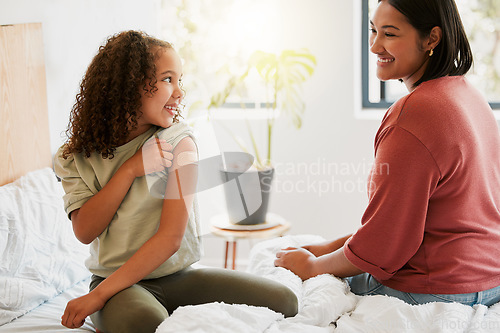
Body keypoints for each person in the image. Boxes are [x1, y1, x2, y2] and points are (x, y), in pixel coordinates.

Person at [54, 30, 297, 332]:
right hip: (115, 284)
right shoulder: (74, 156)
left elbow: (171, 238)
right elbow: (85, 230)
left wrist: (95, 298)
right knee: (146, 322)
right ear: (129, 87)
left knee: (286, 301)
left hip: (177, 277)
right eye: (168, 79)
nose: (180, 92)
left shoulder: (180, 142)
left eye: (179, 79)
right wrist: (131, 169)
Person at [275, 0, 500, 307]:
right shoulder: (469, 95)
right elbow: (415, 221)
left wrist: (312, 267)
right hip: (490, 280)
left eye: (390, 34)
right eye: (373, 30)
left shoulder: (415, 113)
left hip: (439, 288)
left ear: (432, 39)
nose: (375, 46)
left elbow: (384, 246)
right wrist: (325, 248)